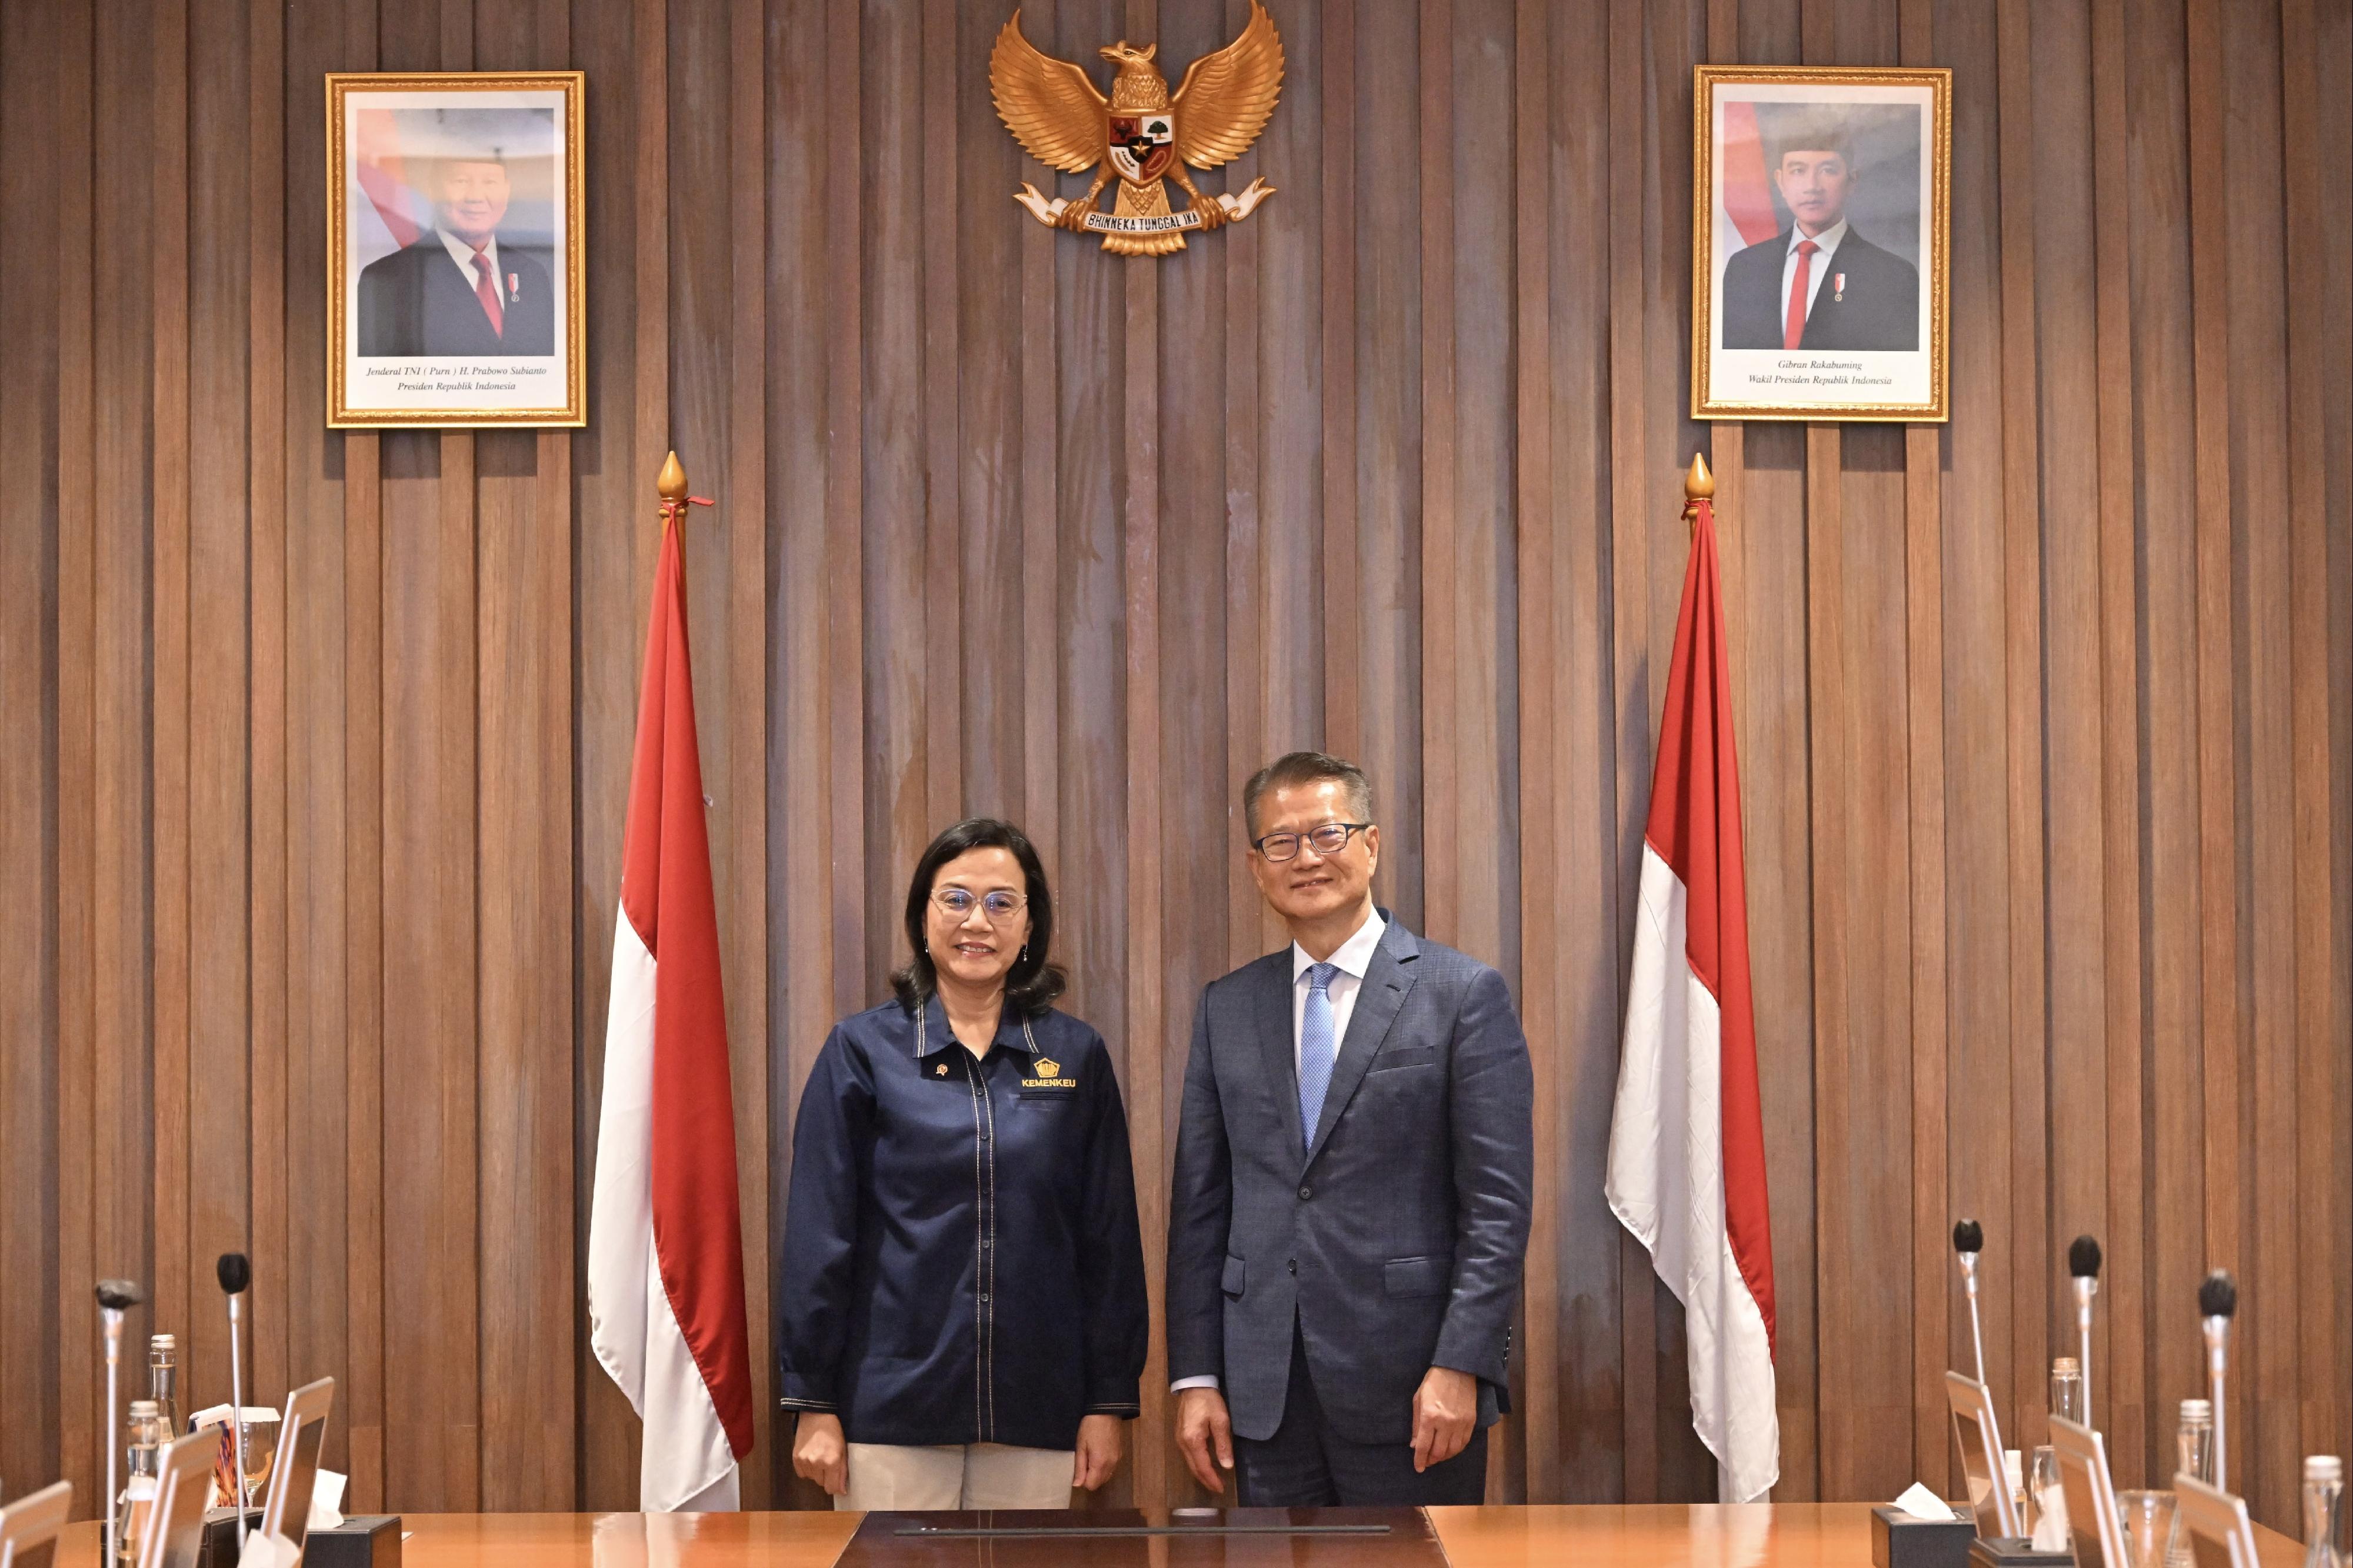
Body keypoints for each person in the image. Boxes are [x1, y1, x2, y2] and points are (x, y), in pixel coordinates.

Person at [1166, 752, 1535, 1506]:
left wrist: (1461, 1363)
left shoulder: (1460, 993)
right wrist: (1197, 1374)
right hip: (1263, 1391)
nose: (1306, 857)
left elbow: (1497, 1208)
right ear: (1255, 865)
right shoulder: (1226, 1008)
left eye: (1327, 833)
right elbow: (1200, 1207)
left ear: (1369, 843)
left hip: (1415, 1390)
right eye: (1281, 841)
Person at [778, 818, 1149, 1510]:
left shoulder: (1075, 1056)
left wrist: (1108, 1396)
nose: (977, 920)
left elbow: (1108, 1239)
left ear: (1030, 924)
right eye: (955, 899)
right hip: (890, 1409)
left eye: (1002, 901)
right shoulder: (861, 1051)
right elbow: (819, 1235)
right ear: (923, 917)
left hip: (1037, 1405)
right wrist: (814, 1398)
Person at [1719, 111, 1919, 352]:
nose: (1812, 187)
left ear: (1852, 182)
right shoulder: (1744, 268)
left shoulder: (1893, 276)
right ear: (1781, 182)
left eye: (1827, 170)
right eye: (1798, 171)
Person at [355, 153, 556, 356]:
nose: (476, 197)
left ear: (506, 191)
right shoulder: (387, 279)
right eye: (461, 181)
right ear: (434, 189)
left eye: (490, 182)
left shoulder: (533, 275)